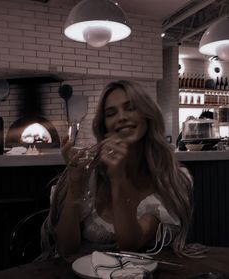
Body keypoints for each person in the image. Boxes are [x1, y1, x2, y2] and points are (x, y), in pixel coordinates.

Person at [41, 80, 205, 260]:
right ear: (104, 126)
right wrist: (74, 182)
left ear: (147, 115)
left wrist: (118, 179)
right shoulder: (89, 171)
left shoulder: (171, 178)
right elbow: (66, 249)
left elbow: (130, 244)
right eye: (111, 113)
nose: (121, 117)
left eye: (131, 108)